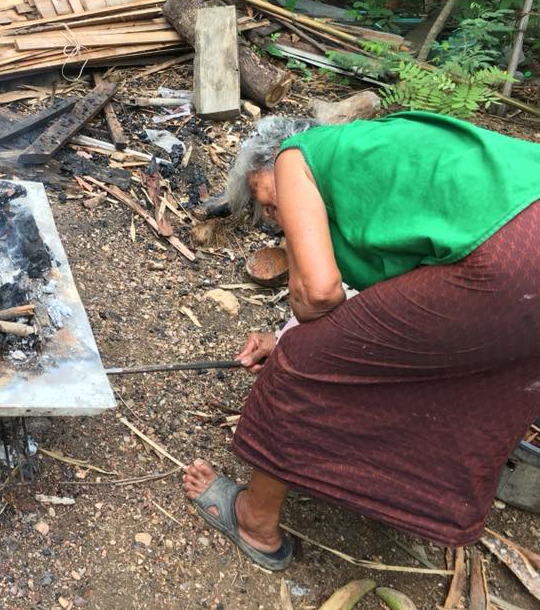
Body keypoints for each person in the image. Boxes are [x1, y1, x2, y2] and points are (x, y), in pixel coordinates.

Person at [183, 110, 540, 571]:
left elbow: (319, 294)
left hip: (509, 259)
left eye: (266, 202)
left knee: (301, 363)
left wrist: (292, 342)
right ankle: (401, 492)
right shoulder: (376, 158)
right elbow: (392, 310)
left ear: (271, 162)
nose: (274, 219)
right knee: (456, 373)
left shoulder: (295, 158)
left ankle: (255, 521)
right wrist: (288, 332)